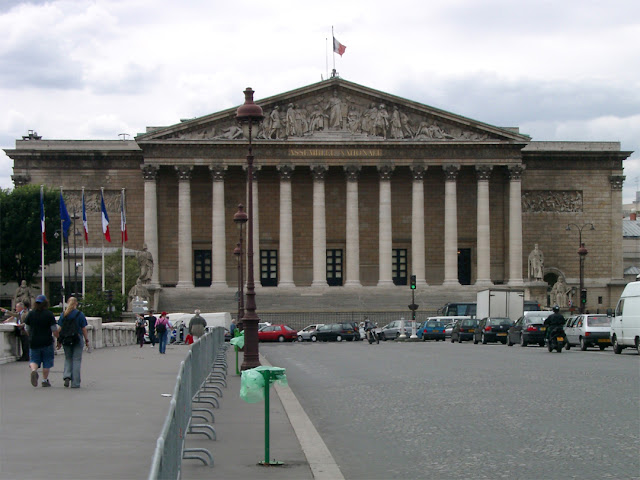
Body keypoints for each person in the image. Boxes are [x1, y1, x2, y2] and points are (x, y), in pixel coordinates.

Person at [24, 294, 59, 387]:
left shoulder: (31, 314)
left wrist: (30, 335)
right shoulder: (49, 314)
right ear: (46, 304)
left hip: (34, 341)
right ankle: (44, 380)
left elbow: (26, 328)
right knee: (47, 361)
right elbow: (54, 329)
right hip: (46, 341)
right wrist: (58, 338)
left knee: (34, 359)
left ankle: (34, 371)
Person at [56, 297, 90, 388]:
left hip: (66, 339)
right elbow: (83, 329)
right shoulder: (80, 314)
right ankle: (75, 383)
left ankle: (67, 375)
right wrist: (87, 340)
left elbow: (59, 329)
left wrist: (58, 341)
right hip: (77, 338)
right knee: (76, 360)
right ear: (76, 304)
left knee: (68, 358)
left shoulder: (63, 314)